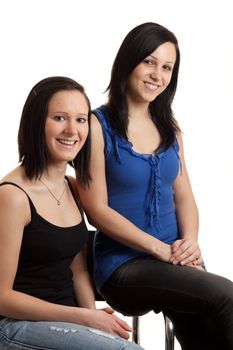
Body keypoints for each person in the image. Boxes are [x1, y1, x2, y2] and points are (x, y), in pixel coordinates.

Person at [76, 23, 233, 350]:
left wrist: (189, 242)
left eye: (167, 67)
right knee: (226, 296)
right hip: (124, 267)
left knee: (208, 330)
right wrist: (160, 249)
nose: (157, 75)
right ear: (128, 62)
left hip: (173, 261)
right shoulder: (95, 125)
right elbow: (96, 210)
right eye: (149, 61)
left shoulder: (169, 128)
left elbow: (184, 196)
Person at [0, 76, 143, 350]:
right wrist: (83, 317)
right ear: (35, 123)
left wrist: (92, 316)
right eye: (59, 118)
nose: (72, 130)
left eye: (80, 120)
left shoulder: (72, 187)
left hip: (68, 322)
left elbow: (76, 269)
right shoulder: (13, 197)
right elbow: (2, 297)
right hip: (14, 326)